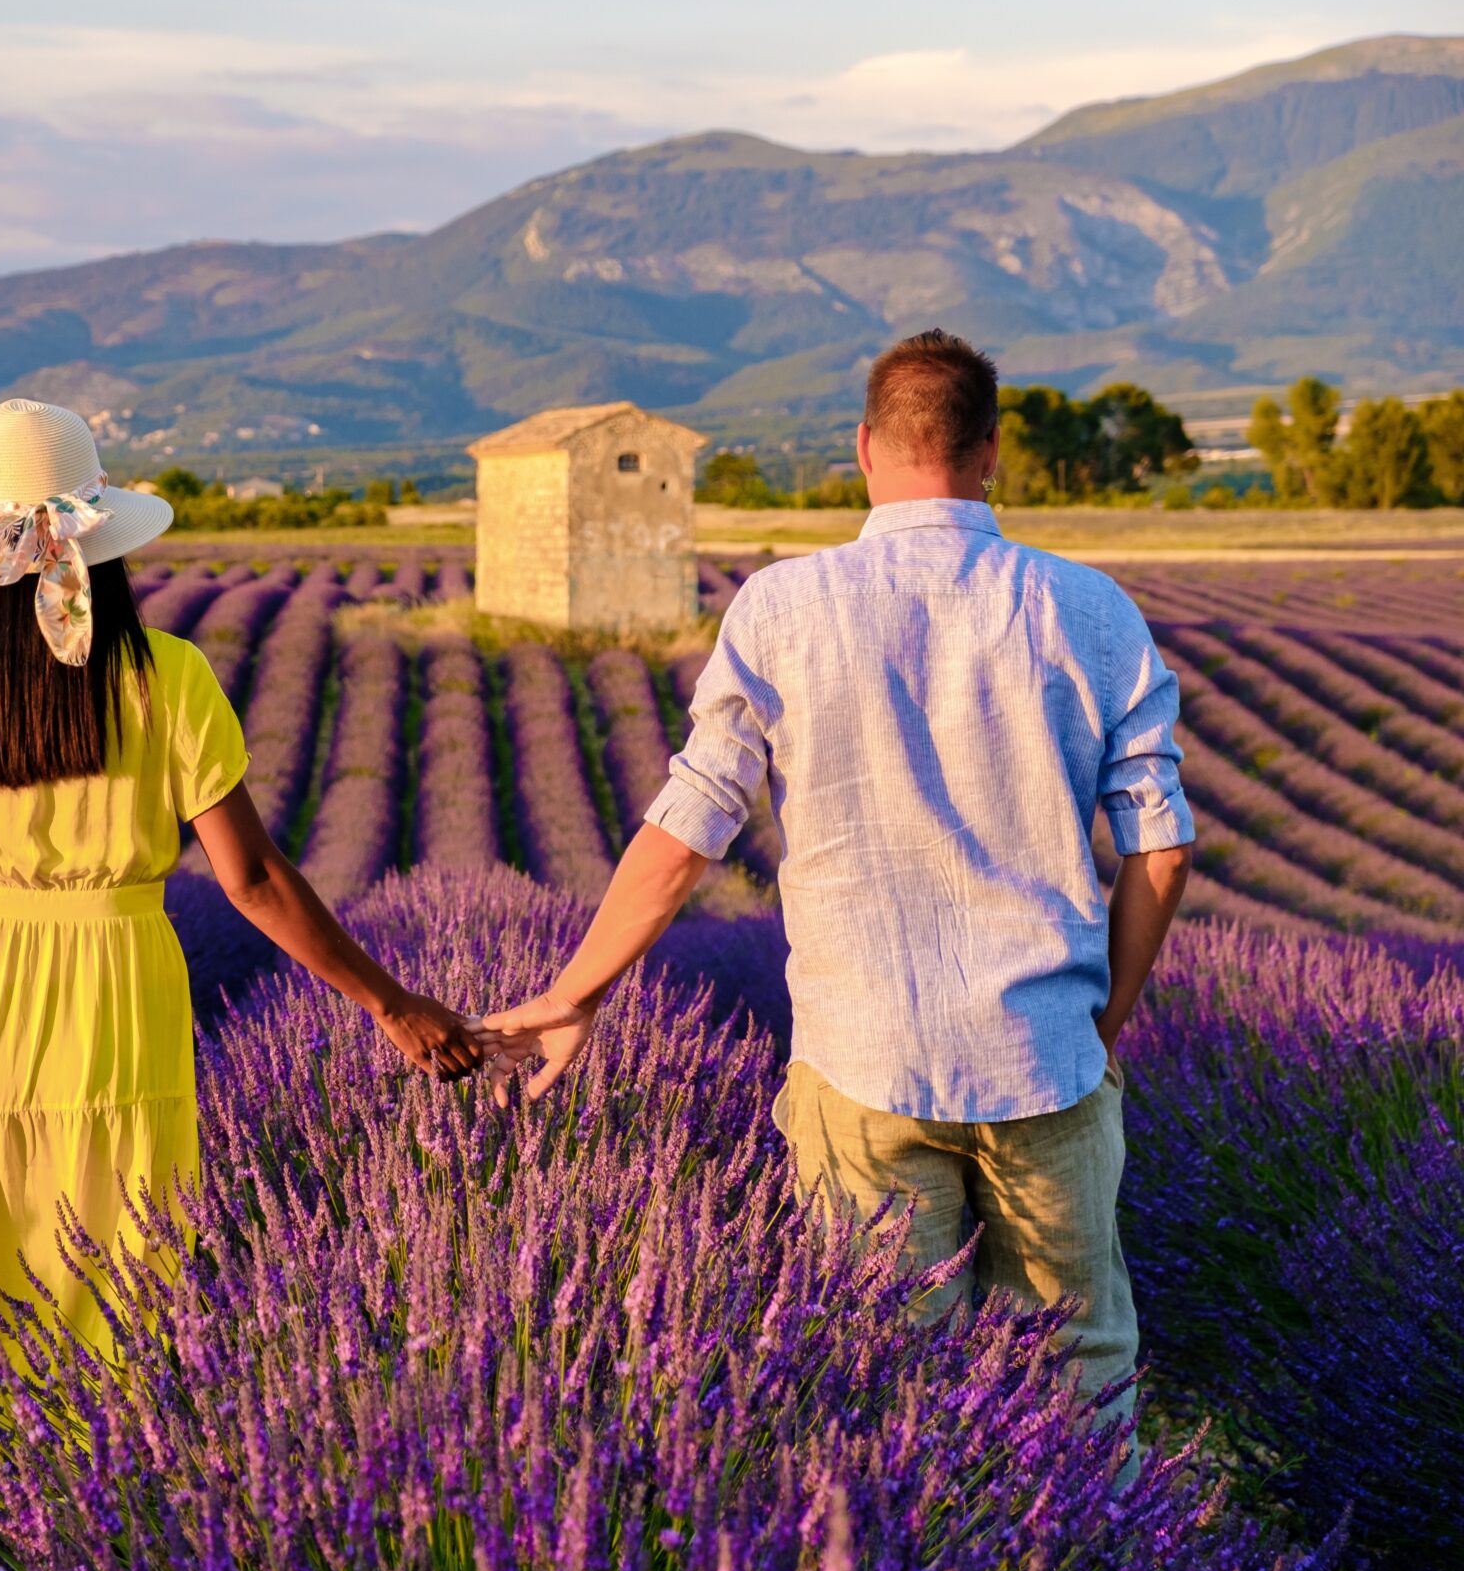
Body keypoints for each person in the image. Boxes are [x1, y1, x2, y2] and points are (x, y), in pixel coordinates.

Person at [482, 330, 1195, 1453]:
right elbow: (1159, 849)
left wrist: (576, 993)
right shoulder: (1090, 610)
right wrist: (1099, 1025)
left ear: (864, 447)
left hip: (864, 1063)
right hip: (1044, 1059)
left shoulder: (780, 607)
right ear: (993, 453)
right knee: (1081, 1378)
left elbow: (686, 830)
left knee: (883, 1383)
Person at [0, 398, 482, 1485]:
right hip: (112, 984)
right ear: (100, 538)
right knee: (108, 1229)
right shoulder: (166, 676)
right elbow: (250, 880)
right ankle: (94, 1487)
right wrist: (389, 1002)